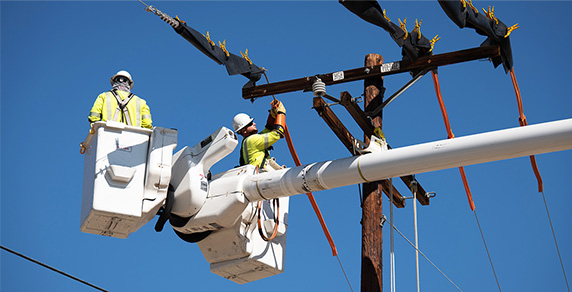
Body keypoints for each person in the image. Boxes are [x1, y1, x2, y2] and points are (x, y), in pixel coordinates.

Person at [88, 70, 153, 129]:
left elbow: (93, 118)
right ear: (129, 84)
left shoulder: (104, 96)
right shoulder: (141, 102)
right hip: (133, 138)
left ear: (114, 82)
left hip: (107, 134)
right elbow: (147, 124)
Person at [233, 99, 286, 170]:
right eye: (251, 124)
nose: (254, 124)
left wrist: (272, 113)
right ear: (244, 131)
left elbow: (268, 129)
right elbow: (276, 134)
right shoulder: (252, 140)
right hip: (260, 173)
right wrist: (281, 113)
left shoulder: (248, 141)